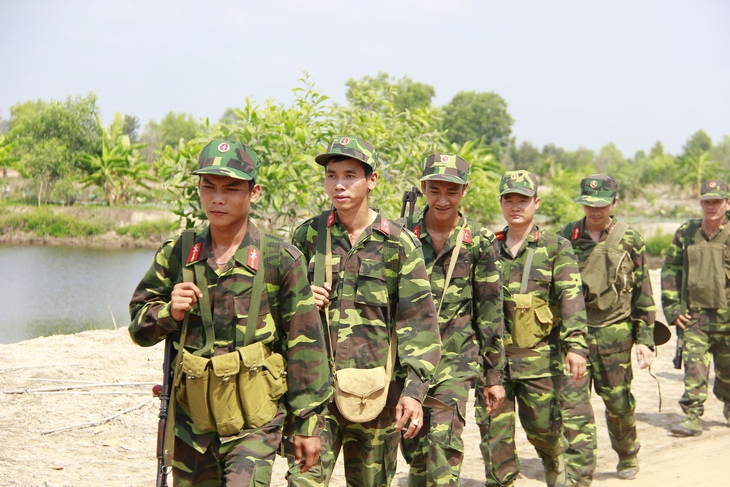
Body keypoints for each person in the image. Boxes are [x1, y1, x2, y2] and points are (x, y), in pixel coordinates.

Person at [129, 140, 332, 485]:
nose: (217, 198)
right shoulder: (178, 253)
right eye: (208, 187)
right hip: (192, 424)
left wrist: (308, 425)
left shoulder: (279, 259)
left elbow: (306, 348)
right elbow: (138, 328)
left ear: (254, 193)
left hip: (256, 421)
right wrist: (169, 313)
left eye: (231, 188)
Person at [286, 136, 442, 487]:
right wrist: (301, 302)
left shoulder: (398, 243)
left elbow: (419, 323)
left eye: (350, 175)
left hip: (377, 395)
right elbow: (280, 314)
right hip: (317, 396)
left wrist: (414, 391)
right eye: (331, 175)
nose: (339, 184)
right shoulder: (309, 236)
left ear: (372, 180)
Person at [474, 170, 588, 487]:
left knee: (543, 426)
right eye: (509, 199)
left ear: (535, 203)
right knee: (493, 430)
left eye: (522, 200)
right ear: (500, 203)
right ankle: (501, 481)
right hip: (494, 362)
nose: (516, 206)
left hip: (539, 359)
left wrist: (576, 346)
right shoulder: (487, 248)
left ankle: (553, 460)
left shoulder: (555, 247)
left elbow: (571, 297)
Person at [400, 153, 505, 487]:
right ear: (423, 188)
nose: (442, 200)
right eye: (434, 190)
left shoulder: (479, 242)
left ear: (465, 191)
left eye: (451, 191)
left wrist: (493, 374)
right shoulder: (401, 236)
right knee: (414, 449)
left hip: (455, 361)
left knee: (443, 446)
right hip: (408, 362)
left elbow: (489, 311)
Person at [558, 175, 656, 486]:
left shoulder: (630, 239)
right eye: (589, 204)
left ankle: (627, 452)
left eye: (601, 204)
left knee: (618, 405)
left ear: (614, 203)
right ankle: (578, 470)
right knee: (573, 406)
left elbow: (643, 291)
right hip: (577, 336)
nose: (595, 210)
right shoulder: (567, 237)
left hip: (616, 335)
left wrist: (645, 340)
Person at [661, 179, 730, 436]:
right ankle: (692, 415)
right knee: (694, 366)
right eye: (706, 201)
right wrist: (672, 308)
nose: (711, 206)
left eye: (716, 201)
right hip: (696, 316)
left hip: (727, 316)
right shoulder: (686, 233)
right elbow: (670, 270)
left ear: (727, 203)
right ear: (700, 203)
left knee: (727, 372)